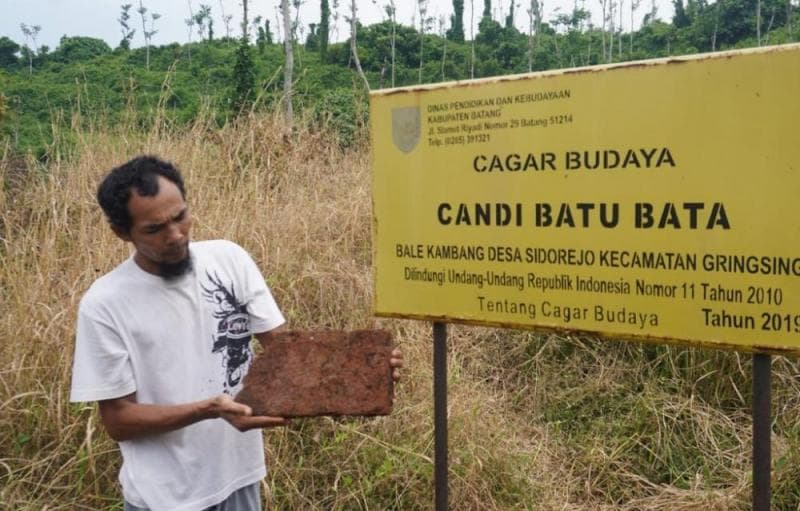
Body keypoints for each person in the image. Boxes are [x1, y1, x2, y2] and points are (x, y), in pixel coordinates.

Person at [69, 155, 403, 511]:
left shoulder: (229, 260)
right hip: (164, 496)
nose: (176, 235)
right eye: (154, 229)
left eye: (180, 216)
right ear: (122, 232)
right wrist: (209, 409)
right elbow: (119, 420)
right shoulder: (105, 303)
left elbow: (285, 354)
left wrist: (364, 370)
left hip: (239, 481)